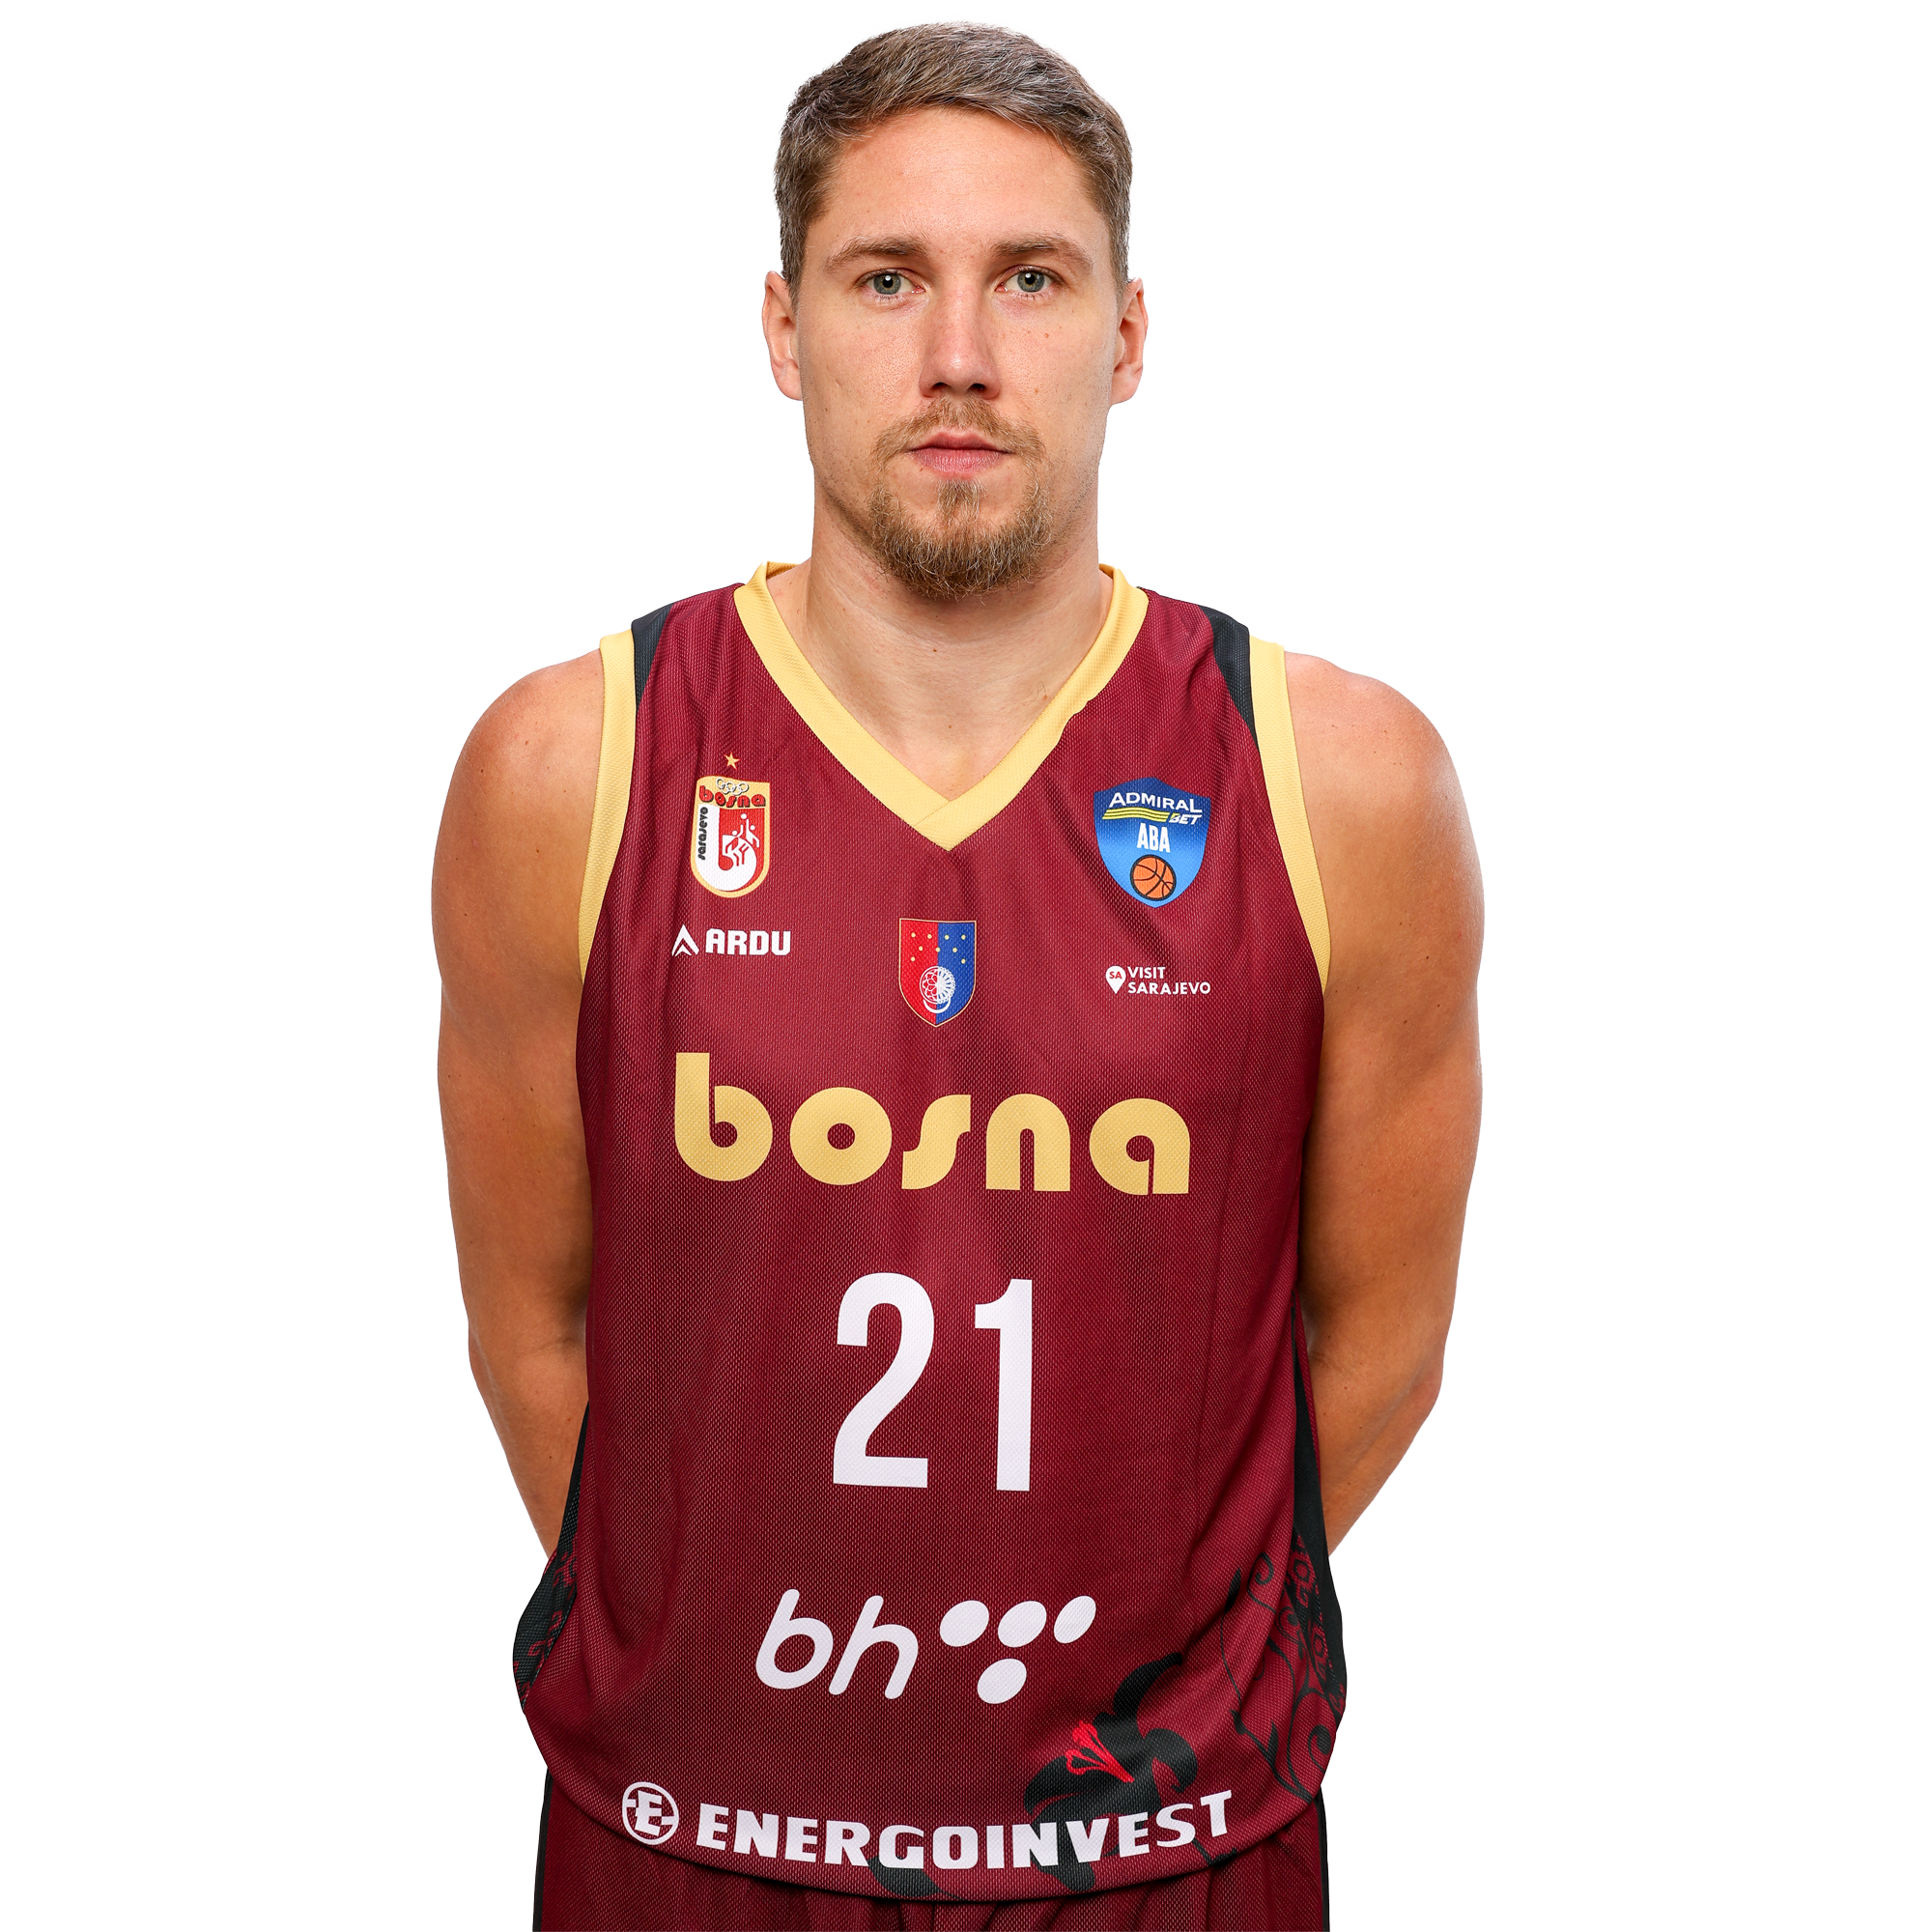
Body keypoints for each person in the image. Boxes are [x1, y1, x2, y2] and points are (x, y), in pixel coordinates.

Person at [433, 21, 1481, 1930]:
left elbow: (1381, 1346)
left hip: (1160, 1841)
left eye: (1033, 279)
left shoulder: (1338, 780)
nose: (960, 357)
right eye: (886, 278)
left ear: (1128, 335)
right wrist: (724, 1638)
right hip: (693, 1829)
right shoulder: (570, 766)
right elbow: (533, 1327)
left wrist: (1148, 1631)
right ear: (783, 327)